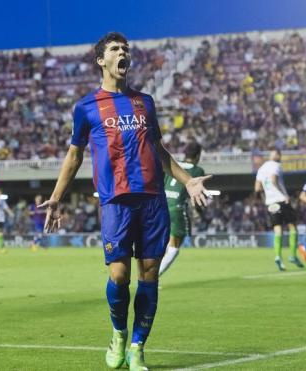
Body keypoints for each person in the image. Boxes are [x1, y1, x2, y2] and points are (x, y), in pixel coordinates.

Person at [38, 32, 211, 371]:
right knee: (119, 275)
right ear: (101, 60)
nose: (123, 52)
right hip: (115, 202)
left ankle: (137, 347)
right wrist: (56, 197)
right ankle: (118, 333)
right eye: (116, 49)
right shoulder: (86, 107)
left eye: (126, 49)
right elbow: (74, 156)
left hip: (152, 201)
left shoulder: (145, 102)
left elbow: (159, 151)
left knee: (149, 276)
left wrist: (188, 180)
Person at [158, 142, 205, 277]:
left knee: (164, 242)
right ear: (197, 156)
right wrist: (199, 211)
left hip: (162, 206)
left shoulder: (173, 164)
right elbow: (196, 194)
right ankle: (153, 278)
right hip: (177, 209)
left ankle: (149, 275)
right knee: (174, 247)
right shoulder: (197, 171)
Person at [255, 149, 303, 271]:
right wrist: (284, 195)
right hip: (281, 200)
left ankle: (278, 257)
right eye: (279, 154)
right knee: (293, 227)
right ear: (276, 155)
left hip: (270, 203)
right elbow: (273, 180)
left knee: (278, 230)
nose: (280, 157)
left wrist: (266, 198)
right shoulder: (276, 165)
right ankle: (292, 255)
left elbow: (257, 188)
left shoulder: (261, 169)